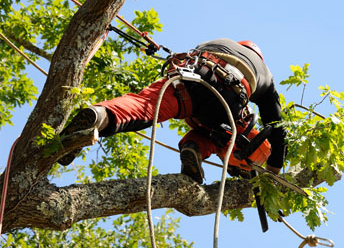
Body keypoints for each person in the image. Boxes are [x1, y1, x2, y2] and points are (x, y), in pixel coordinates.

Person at [58, 38, 287, 184]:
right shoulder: (264, 73)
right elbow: (276, 125)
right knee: (229, 134)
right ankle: (195, 149)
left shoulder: (219, 42)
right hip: (228, 100)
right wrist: (275, 168)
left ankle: (98, 116)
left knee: (144, 106)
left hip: (191, 78)